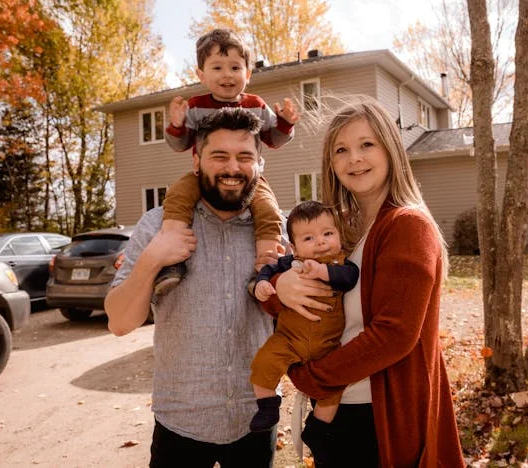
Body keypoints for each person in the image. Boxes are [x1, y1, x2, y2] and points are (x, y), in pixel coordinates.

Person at [263, 98, 466, 467]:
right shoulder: (337, 229)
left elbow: (393, 335)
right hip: (340, 411)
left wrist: (310, 378)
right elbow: (282, 272)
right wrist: (279, 286)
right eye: (341, 150)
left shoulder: (407, 226)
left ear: (390, 149)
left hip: (377, 417)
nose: (354, 158)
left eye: (366, 145)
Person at [104, 108, 285, 468]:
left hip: (256, 422)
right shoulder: (158, 225)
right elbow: (120, 323)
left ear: (259, 164)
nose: (233, 168)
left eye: (244, 157)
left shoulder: (277, 234)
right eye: (219, 156)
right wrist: (152, 259)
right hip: (180, 424)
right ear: (197, 159)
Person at [155, 28, 298, 295]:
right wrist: (177, 125)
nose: (227, 75)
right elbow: (181, 144)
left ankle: (265, 269)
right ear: (201, 74)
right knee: (177, 197)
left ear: (248, 73)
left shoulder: (256, 105)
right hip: (203, 176)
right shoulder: (196, 107)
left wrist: (286, 124)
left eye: (235, 67)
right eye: (217, 67)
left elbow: (273, 140)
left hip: (251, 180)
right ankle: (171, 261)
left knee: (268, 210)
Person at [249, 201, 359, 438]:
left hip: (328, 346)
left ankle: (318, 427)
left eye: (328, 234)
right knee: (263, 362)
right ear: (294, 248)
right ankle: (267, 406)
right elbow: (268, 270)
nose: (320, 242)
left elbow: (350, 278)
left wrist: (323, 272)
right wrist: (263, 283)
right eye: (308, 238)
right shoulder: (291, 263)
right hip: (289, 339)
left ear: (339, 235)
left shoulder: (341, 263)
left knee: (333, 390)